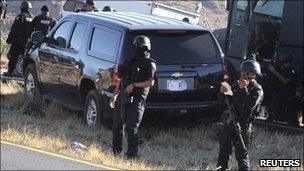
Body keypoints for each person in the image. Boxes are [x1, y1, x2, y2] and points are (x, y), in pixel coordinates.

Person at [109, 35, 156, 159]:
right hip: (123, 97)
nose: (138, 49)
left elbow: (151, 82)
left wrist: (134, 85)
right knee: (117, 125)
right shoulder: (130, 61)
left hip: (137, 99)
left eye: (141, 47)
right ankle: (115, 152)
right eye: (136, 46)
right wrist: (114, 95)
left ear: (146, 48)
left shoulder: (150, 64)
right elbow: (122, 80)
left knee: (131, 126)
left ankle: (131, 155)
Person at [216, 60, 263, 170]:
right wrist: (222, 92)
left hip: (244, 126)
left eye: (249, 73)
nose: (245, 75)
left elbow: (250, 104)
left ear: (254, 74)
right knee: (224, 151)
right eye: (244, 72)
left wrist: (244, 89)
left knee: (242, 153)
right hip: (231, 122)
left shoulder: (257, 89)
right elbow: (226, 101)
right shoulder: (236, 85)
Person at [3, 1, 33, 77]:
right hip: (27, 43)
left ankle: (10, 72)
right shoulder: (32, 18)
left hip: (17, 41)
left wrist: (9, 39)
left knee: (13, 56)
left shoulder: (20, 17)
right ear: (29, 9)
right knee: (24, 58)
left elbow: (14, 29)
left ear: (21, 8)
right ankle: (23, 74)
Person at [266, 52, 297, 122]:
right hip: (275, 89)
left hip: (286, 92)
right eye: (286, 62)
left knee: (276, 95)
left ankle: (272, 115)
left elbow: (285, 81)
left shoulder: (291, 71)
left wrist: (273, 71)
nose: (288, 64)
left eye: (289, 62)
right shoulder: (277, 69)